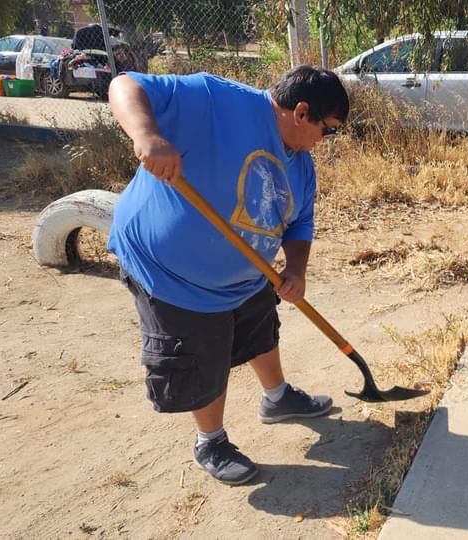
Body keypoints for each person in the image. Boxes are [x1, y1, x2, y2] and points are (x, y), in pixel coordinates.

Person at [107, 66, 348, 486]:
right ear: (302, 112)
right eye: (327, 130)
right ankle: (210, 441)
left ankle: (277, 398)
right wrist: (147, 134)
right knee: (205, 352)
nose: (325, 142)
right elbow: (124, 85)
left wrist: (295, 269)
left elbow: (300, 224)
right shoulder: (218, 99)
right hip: (172, 274)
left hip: (247, 275)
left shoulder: (302, 166)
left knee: (259, 328)